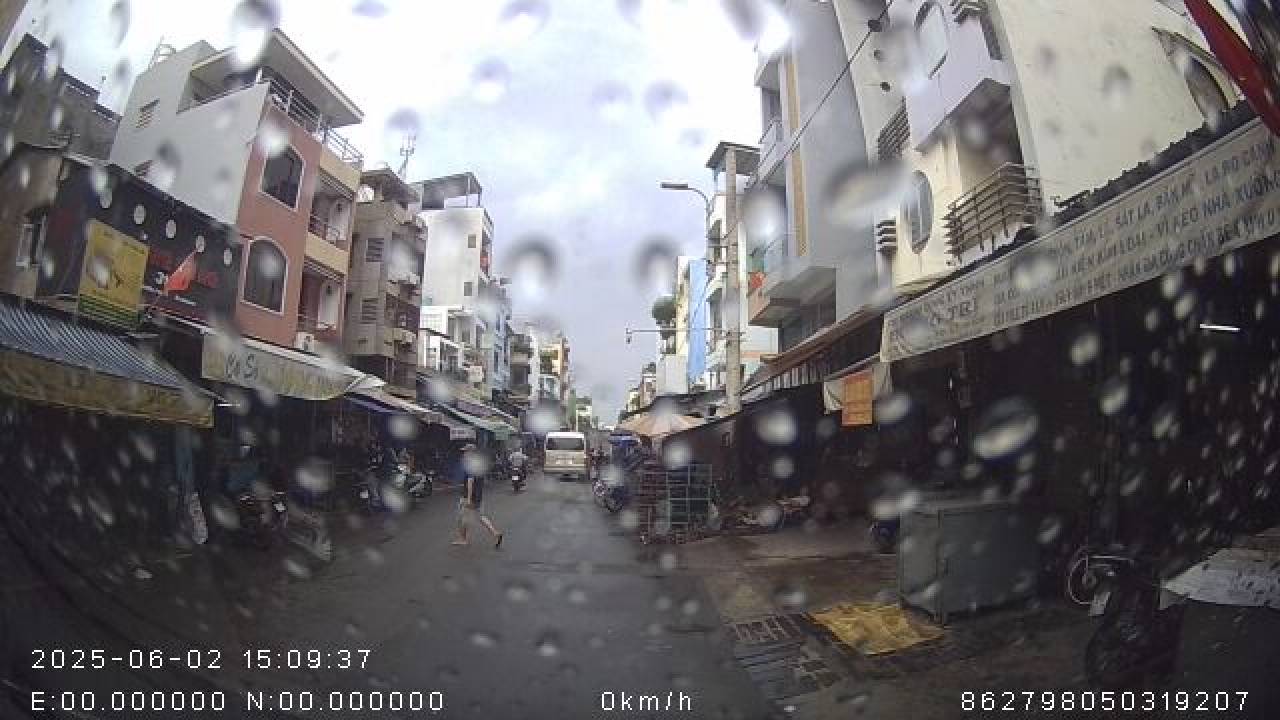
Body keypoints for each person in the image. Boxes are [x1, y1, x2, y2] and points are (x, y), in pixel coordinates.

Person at [453, 444, 503, 548]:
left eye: (466, 452)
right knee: (481, 517)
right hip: (478, 496)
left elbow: (470, 481)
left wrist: (468, 498)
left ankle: (463, 539)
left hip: (468, 496)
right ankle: (495, 533)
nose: (464, 454)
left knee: (462, 518)